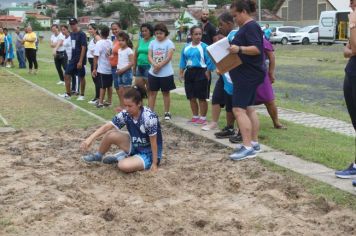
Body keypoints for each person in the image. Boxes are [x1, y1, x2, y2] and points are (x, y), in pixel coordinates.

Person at [81, 86, 162, 173]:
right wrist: (90, 139)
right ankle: (98, 156)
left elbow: (154, 143)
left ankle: (121, 157)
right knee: (110, 134)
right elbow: (108, 126)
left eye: (130, 106)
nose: (127, 109)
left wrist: (154, 164)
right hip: (134, 144)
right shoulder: (126, 113)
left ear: (139, 104)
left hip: (148, 153)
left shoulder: (149, 117)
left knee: (123, 166)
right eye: (125, 105)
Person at [228, 0, 265, 161]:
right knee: (249, 108)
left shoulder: (251, 26)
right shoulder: (247, 27)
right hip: (247, 73)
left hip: (247, 75)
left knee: (238, 110)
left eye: (235, 15)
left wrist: (240, 48)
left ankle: (247, 147)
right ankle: (254, 143)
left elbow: (257, 48)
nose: (234, 19)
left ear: (243, 12)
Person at [202, 12, 238, 142]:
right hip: (224, 75)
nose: (219, 27)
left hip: (233, 76)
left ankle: (239, 131)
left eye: (221, 24)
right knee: (220, 99)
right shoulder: (228, 36)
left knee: (236, 105)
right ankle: (228, 127)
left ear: (229, 23)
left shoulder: (236, 35)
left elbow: (235, 57)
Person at [335, 0, 356, 185]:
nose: (350, 5)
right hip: (351, 73)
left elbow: (353, 48)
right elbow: (346, 50)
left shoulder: (354, 21)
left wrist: (352, 23)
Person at [179, 26, 215, 125]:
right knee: (191, 96)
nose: (198, 36)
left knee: (201, 97)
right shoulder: (186, 47)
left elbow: (210, 60)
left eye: (200, 34)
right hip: (189, 72)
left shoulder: (205, 47)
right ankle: (195, 116)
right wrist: (181, 73)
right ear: (191, 35)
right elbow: (182, 61)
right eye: (196, 34)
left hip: (201, 72)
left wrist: (208, 71)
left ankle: (203, 118)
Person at [254, 38, 285, 129]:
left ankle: (276, 122)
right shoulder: (243, 39)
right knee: (243, 103)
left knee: (269, 100)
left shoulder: (262, 41)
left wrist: (271, 73)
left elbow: (271, 56)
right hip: (246, 75)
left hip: (261, 74)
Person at [148, 23, 176, 120]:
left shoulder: (169, 43)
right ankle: (151, 112)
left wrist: (160, 65)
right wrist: (154, 64)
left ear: (165, 33)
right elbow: (149, 56)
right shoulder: (152, 42)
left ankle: (167, 112)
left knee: (165, 93)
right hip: (153, 72)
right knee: (152, 93)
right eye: (156, 33)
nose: (158, 35)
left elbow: (169, 57)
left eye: (160, 33)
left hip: (166, 73)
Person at [58, 17, 87, 100]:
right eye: (71, 24)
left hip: (79, 59)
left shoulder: (82, 34)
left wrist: (81, 61)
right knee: (66, 75)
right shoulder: (72, 34)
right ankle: (68, 94)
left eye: (73, 24)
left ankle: (82, 95)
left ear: (76, 24)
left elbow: (83, 47)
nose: (72, 26)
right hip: (73, 59)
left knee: (81, 76)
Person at [92, 26, 113, 108]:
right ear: (108, 33)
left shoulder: (99, 43)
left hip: (102, 69)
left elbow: (96, 56)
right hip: (110, 68)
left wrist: (94, 68)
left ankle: (100, 102)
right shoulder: (110, 42)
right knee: (109, 86)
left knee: (102, 86)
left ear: (100, 33)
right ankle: (109, 101)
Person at [200, 9, 218, 99]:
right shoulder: (198, 26)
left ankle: (206, 95)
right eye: (203, 14)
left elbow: (215, 41)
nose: (205, 15)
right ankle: (199, 94)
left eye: (207, 14)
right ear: (201, 14)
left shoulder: (211, 27)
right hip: (198, 54)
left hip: (208, 55)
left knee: (207, 74)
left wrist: (213, 55)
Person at [133, 23, 154, 96]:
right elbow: (135, 55)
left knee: (149, 88)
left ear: (150, 31)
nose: (144, 33)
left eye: (146, 31)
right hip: (140, 67)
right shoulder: (140, 41)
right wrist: (134, 68)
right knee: (138, 87)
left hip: (149, 67)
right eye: (142, 31)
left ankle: (150, 106)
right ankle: (141, 103)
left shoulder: (154, 41)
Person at [116, 31, 134, 109]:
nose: (120, 42)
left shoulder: (129, 50)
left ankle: (129, 107)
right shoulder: (119, 50)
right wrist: (118, 69)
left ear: (126, 41)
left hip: (126, 72)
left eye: (122, 40)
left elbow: (131, 63)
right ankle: (123, 107)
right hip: (120, 72)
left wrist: (122, 70)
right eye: (119, 40)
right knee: (121, 91)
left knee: (127, 92)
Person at [109, 22, 122, 110]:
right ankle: (122, 104)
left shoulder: (123, 39)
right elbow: (114, 52)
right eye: (113, 29)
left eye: (116, 29)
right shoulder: (114, 39)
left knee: (121, 87)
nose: (114, 31)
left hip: (120, 67)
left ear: (120, 28)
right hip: (113, 66)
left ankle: (124, 105)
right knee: (117, 86)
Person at [87, 23, 101, 104]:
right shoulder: (93, 38)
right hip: (92, 61)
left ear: (95, 30)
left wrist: (95, 52)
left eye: (91, 29)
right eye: (89, 29)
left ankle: (98, 98)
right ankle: (97, 97)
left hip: (95, 62)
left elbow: (101, 47)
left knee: (96, 80)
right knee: (96, 80)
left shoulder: (97, 37)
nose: (89, 30)